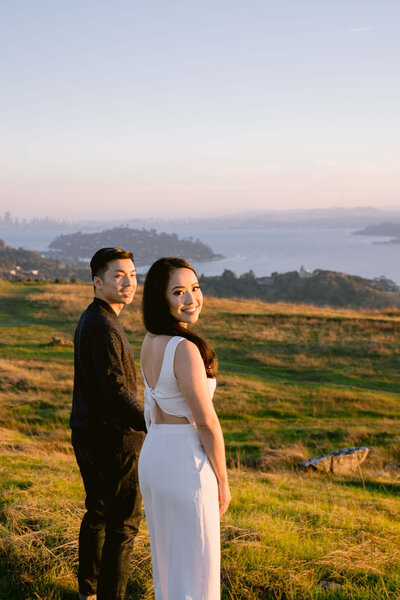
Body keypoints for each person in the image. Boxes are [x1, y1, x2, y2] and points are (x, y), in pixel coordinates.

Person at [138, 257, 231, 600]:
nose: (191, 299)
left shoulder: (151, 340)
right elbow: (206, 421)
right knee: (196, 565)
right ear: (160, 298)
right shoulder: (184, 348)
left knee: (168, 562)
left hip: (155, 454)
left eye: (194, 288)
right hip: (183, 460)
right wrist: (222, 478)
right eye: (178, 291)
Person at [70, 247, 147, 600]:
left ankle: (88, 592)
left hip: (90, 434)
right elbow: (116, 390)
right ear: (97, 282)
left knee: (98, 514)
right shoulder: (102, 324)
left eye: (132, 274)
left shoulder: (94, 318)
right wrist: (152, 421)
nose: (129, 282)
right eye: (119, 275)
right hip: (114, 441)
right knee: (123, 526)